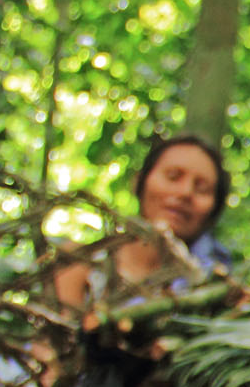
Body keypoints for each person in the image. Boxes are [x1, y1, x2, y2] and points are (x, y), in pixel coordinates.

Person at [53, 132, 233, 316]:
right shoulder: (78, 261)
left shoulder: (217, 288)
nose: (185, 192)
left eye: (202, 189)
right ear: (139, 182)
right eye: (173, 176)